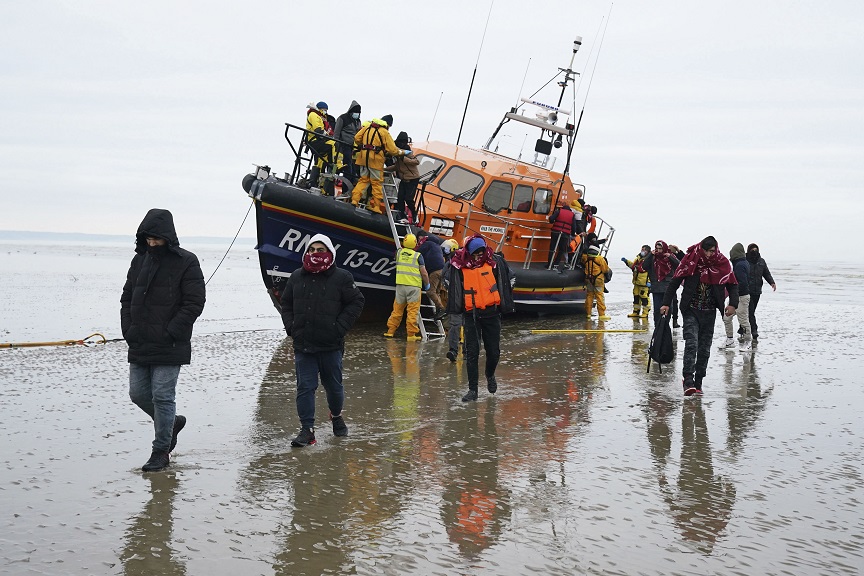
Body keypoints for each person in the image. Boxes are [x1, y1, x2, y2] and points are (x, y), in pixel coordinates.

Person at [121, 208, 206, 472]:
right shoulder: (139, 261)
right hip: (140, 340)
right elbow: (126, 298)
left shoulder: (187, 261)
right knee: (138, 394)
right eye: (148, 238)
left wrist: (172, 331)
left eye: (156, 238)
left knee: (163, 396)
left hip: (171, 342)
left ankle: (160, 452)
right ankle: (171, 424)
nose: (152, 243)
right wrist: (129, 330)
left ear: (168, 236)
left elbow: (194, 303)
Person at [279, 234, 365, 447]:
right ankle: (307, 430)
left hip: (331, 345)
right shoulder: (297, 277)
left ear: (329, 252)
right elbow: (286, 303)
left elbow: (356, 302)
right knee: (305, 387)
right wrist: (291, 328)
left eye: (320, 250)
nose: (315, 254)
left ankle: (336, 416)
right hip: (304, 345)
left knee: (334, 387)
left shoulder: (342, 277)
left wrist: (340, 328)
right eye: (311, 250)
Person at [660, 236, 738, 396]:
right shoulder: (691, 260)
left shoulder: (722, 263)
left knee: (704, 349)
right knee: (691, 344)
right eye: (707, 251)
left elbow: (733, 284)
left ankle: (699, 381)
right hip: (690, 309)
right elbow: (675, 282)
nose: (710, 255)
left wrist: (733, 304)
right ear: (701, 249)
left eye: (712, 251)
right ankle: (688, 379)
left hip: (709, 312)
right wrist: (666, 303)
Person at [446, 235, 514, 401]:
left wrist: (504, 293)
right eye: (475, 254)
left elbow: (510, 278)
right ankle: (473, 390)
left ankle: (490, 375)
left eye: (480, 253)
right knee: (471, 353)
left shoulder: (495, 262)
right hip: (472, 316)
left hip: (492, 313)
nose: (478, 257)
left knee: (494, 352)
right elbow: (447, 281)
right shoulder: (458, 266)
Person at [352, 117, 409, 214]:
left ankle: (355, 199)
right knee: (376, 183)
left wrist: (365, 145)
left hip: (363, 158)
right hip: (375, 160)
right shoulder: (384, 132)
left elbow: (357, 138)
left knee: (363, 180)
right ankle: (376, 206)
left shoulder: (367, 127)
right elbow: (392, 150)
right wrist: (403, 152)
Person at [384, 234, 430, 341]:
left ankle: (390, 331)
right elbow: (424, 272)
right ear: (415, 243)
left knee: (397, 310)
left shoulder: (399, 253)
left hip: (400, 286)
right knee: (412, 311)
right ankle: (411, 334)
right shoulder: (418, 256)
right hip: (414, 287)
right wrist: (427, 284)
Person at [722, 243, 752, 351]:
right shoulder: (743, 263)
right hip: (736, 297)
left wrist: (733, 294)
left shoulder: (740, 265)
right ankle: (729, 340)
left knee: (743, 320)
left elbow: (741, 282)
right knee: (727, 318)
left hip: (742, 297)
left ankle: (748, 342)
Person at [642, 240, 680, 326]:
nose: (659, 251)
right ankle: (657, 327)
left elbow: (679, 265)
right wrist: (650, 255)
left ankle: (666, 325)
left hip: (668, 287)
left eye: (660, 249)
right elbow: (644, 266)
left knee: (668, 309)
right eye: (657, 249)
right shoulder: (653, 258)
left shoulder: (670, 256)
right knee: (657, 310)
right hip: (656, 287)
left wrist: (670, 257)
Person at [746, 243, 776, 344]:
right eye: (752, 250)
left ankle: (743, 328)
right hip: (747, 291)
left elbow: (766, 273)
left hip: (757, 290)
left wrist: (772, 282)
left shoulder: (761, 261)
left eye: (756, 250)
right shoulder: (745, 261)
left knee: (751, 311)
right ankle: (754, 330)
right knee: (750, 312)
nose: (754, 252)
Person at [305, 101, 339, 190]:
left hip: (319, 140)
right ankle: (333, 166)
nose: (325, 112)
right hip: (315, 141)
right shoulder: (314, 115)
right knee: (333, 145)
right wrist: (327, 135)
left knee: (322, 160)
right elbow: (318, 130)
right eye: (324, 110)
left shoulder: (320, 117)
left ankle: (320, 180)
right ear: (319, 109)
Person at [415, 229, 448, 320]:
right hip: (442, 270)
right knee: (437, 292)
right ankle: (439, 312)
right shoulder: (436, 244)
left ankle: (442, 309)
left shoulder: (426, 244)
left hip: (434, 270)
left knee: (430, 291)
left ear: (421, 237)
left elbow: (417, 253)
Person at [389, 131, 421, 223]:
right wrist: (384, 170)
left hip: (413, 179)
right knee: (400, 199)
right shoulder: (396, 152)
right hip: (403, 179)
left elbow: (416, 162)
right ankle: (402, 216)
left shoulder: (408, 152)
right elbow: (396, 166)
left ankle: (414, 214)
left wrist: (403, 157)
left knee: (408, 199)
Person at [441, 238, 464, 362]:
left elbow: (445, 277)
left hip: (456, 298)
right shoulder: (461, 262)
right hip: (465, 297)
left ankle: (454, 350)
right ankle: (461, 350)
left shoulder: (450, 263)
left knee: (455, 325)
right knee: (463, 324)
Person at [333, 100, 362, 182]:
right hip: (343, 145)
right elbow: (337, 132)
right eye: (355, 111)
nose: (357, 114)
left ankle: (351, 181)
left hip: (353, 147)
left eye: (358, 112)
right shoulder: (342, 118)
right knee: (347, 165)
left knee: (352, 165)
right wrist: (337, 143)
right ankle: (346, 186)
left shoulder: (358, 121)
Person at [582, 244, 611, 320]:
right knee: (599, 296)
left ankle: (588, 314)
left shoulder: (585, 257)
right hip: (598, 280)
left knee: (589, 296)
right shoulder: (600, 258)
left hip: (588, 280)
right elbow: (605, 269)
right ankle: (601, 315)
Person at [623, 245, 652, 318]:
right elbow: (633, 266)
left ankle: (645, 312)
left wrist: (649, 282)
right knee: (636, 297)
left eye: (644, 250)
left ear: (647, 251)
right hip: (637, 282)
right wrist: (626, 261)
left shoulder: (650, 260)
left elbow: (652, 272)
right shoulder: (638, 258)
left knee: (644, 298)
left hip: (644, 283)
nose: (642, 251)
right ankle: (636, 312)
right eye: (642, 249)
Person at [547, 199, 576, 268]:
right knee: (561, 249)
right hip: (565, 234)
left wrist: (552, 222)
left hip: (555, 232)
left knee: (552, 247)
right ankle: (556, 263)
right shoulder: (572, 215)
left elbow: (551, 219)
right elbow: (574, 226)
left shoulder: (558, 211)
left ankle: (549, 264)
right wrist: (572, 234)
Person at [667, 244, 685, 327]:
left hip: (673, 282)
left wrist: (679, 251)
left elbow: (685, 260)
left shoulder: (674, 257)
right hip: (667, 282)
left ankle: (674, 320)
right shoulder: (664, 256)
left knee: (674, 302)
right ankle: (672, 320)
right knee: (671, 302)